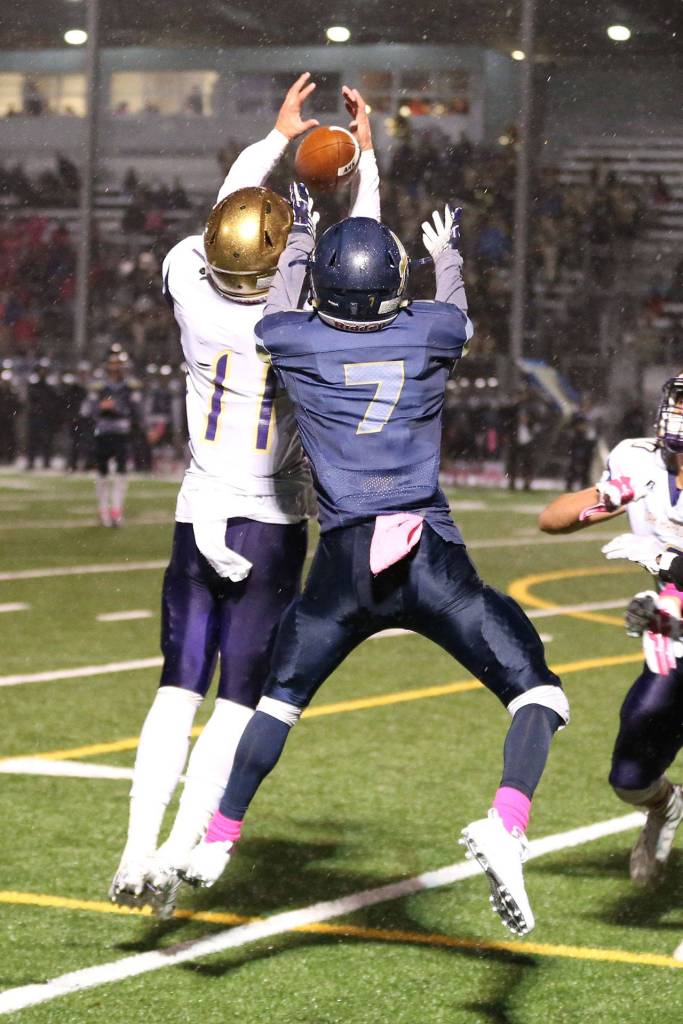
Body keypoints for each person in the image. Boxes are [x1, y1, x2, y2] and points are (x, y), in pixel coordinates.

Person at [178, 190, 569, 937]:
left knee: (276, 704)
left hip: (344, 566)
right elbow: (454, 308)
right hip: (427, 552)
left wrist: (299, 245)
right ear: (393, 282)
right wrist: (445, 254)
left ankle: (221, 837)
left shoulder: (289, 337)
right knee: (537, 696)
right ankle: (505, 822)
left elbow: (278, 313)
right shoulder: (432, 329)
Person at [109, 75, 382, 917]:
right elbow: (363, 243)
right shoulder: (303, 315)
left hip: (200, 510)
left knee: (175, 686)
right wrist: (361, 160)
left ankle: (131, 851)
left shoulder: (189, 283)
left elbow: (231, 203)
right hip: (269, 522)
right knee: (236, 698)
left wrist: (273, 138)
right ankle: (178, 853)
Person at [538, 375, 683, 886]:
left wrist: (669, 563)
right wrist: (604, 500)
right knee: (629, 778)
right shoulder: (639, 462)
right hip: (674, 637)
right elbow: (550, 519)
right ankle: (665, 806)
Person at [90, 347, 139, 526]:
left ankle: (116, 509)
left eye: (118, 363)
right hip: (103, 432)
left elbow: (134, 410)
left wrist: (116, 408)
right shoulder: (99, 386)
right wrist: (102, 407)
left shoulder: (129, 386)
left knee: (121, 471)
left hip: (121, 432)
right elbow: (90, 409)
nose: (115, 367)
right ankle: (103, 509)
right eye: (112, 363)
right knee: (102, 473)